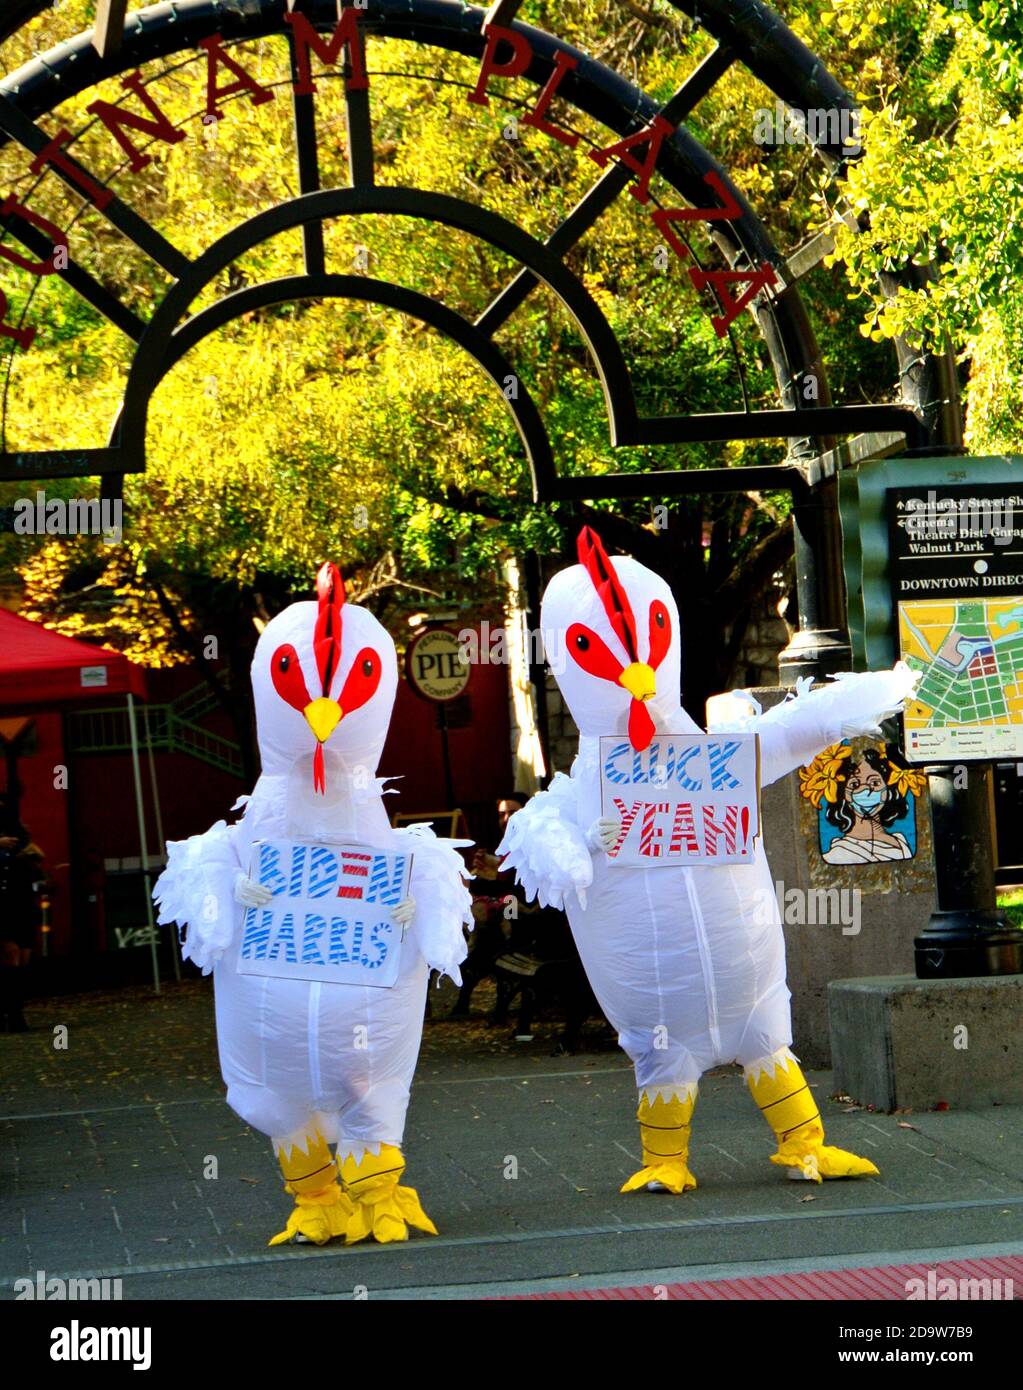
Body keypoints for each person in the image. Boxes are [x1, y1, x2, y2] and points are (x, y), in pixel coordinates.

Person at [449, 792, 531, 1016]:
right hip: (503, 909)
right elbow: (496, 884)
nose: (506, 819)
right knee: (483, 920)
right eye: (502, 814)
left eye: (512, 813)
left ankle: (509, 944)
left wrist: (493, 877)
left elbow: (517, 889)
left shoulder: (532, 843)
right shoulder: (502, 845)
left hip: (528, 913)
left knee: (510, 911)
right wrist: (481, 876)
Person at [821, 747, 914, 864]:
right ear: (843, 794)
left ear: (888, 789)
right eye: (854, 784)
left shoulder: (901, 842)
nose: (866, 790)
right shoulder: (836, 855)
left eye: (875, 783)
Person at [0, 790, 42, 1033]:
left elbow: (34, 852)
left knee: (23, 956)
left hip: (20, 900)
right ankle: (12, 1013)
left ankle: (14, 1010)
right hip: (5, 902)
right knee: (11, 953)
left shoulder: (16, 831)